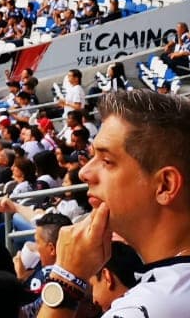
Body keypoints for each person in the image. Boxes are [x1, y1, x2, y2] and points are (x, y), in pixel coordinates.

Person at [46, 89, 190, 317]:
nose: (84, 172)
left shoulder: (153, 307)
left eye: (107, 161)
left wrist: (66, 279)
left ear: (165, 185)